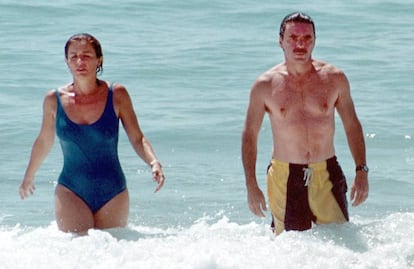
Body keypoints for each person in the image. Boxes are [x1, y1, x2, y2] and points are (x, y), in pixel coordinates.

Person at [19, 33, 165, 234]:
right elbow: (44, 141)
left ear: (99, 60)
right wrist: (29, 176)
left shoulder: (117, 95)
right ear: (67, 61)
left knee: (112, 253)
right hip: (71, 190)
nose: (80, 61)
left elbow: (137, 137)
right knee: (77, 252)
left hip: (113, 192)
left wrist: (153, 162)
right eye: (74, 56)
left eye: (87, 55)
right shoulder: (54, 99)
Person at [241, 12, 369, 235]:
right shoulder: (265, 85)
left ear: (315, 40)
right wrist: (251, 185)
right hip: (285, 175)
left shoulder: (335, 78)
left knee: (341, 244)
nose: (300, 44)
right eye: (293, 38)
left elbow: (352, 125)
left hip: (327, 173)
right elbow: (250, 135)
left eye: (307, 38)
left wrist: (361, 171)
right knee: (290, 248)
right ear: (280, 41)